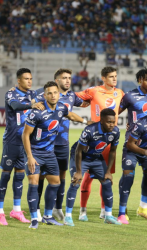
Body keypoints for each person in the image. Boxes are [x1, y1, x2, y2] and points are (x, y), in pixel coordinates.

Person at [22, 81, 93, 229]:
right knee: (34, 184)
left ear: (59, 94)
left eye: (55, 93)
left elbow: (71, 115)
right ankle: (35, 218)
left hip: (50, 153)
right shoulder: (37, 112)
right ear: (45, 95)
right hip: (35, 153)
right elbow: (25, 135)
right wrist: (29, 156)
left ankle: (48, 216)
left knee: (55, 183)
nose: (53, 95)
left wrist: (86, 121)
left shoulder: (61, 107)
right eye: (49, 93)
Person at [33, 69, 88, 222]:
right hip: (45, 144)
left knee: (62, 177)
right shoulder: (45, 93)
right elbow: (29, 97)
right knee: (41, 176)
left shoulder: (72, 96)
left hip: (62, 144)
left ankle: (57, 208)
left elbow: (85, 102)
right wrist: (33, 103)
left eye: (69, 78)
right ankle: (37, 209)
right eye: (64, 78)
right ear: (56, 81)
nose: (68, 81)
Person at [75, 66, 124, 221]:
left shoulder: (120, 93)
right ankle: (83, 211)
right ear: (103, 78)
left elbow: (124, 108)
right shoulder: (94, 91)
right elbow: (74, 98)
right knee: (88, 177)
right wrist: (83, 105)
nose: (114, 79)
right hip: (94, 139)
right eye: (111, 76)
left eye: (115, 76)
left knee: (106, 178)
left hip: (109, 141)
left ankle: (104, 211)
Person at [0, 68, 43, 226]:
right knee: (5, 175)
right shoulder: (11, 93)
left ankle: (16, 210)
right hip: (11, 141)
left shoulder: (32, 94)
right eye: (26, 79)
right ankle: (0, 211)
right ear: (18, 80)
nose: (29, 81)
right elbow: (16, 106)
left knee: (19, 176)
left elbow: (43, 91)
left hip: (26, 143)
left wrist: (57, 82)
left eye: (31, 78)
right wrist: (32, 104)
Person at [117, 68, 147, 224]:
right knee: (128, 175)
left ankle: (143, 208)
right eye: (146, 79)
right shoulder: (129, 96)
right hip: (132, 143)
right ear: (140, 80)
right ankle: (122, 211)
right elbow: (115, 113)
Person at [64, 109, 121, 226]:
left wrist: (108, 171)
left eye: (113, 122)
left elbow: (113, 151)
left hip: (96, 157)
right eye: (108, 122)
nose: (111, 125)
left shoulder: (115, 132)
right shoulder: (90, 130)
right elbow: (79, 151)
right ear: (101, 121)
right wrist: (79, 171)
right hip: (81, 157)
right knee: (76, 181)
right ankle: (68, 217)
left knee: (107, 182)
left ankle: (108, 216)